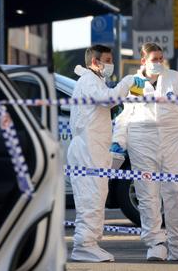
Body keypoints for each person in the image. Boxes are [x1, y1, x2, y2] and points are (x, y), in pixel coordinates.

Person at [112, 42, 178, 262]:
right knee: (147, 193)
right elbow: (124, 115)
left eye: (160, 59)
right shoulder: (133, 83)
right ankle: (156, 244)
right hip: (141, 140)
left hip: (173, 138)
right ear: (143, 60)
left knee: (177, 191)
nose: (158, 63)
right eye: (154, 59)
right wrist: (118, 140)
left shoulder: (174, 78)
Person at [69, 44, 146, 262]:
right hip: (86, 150)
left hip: (94, 149)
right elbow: (108, 99)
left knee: (96, 196)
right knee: (90, 197)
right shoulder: (88, 81)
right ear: (95, 61)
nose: (111, 64)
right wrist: (128, 81)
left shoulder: (96, 81)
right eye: (108, 59)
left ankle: (90, 243)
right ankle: (83, 245)